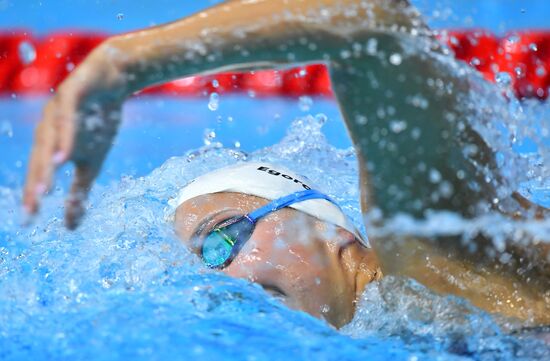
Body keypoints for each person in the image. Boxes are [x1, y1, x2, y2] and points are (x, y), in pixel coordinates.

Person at [23, 0, 549, 327]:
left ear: (328, 230)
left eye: (220, 240)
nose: (218, 282)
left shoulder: (430, 250)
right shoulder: (393, 325)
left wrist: (123, 60)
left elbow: (370, 19)